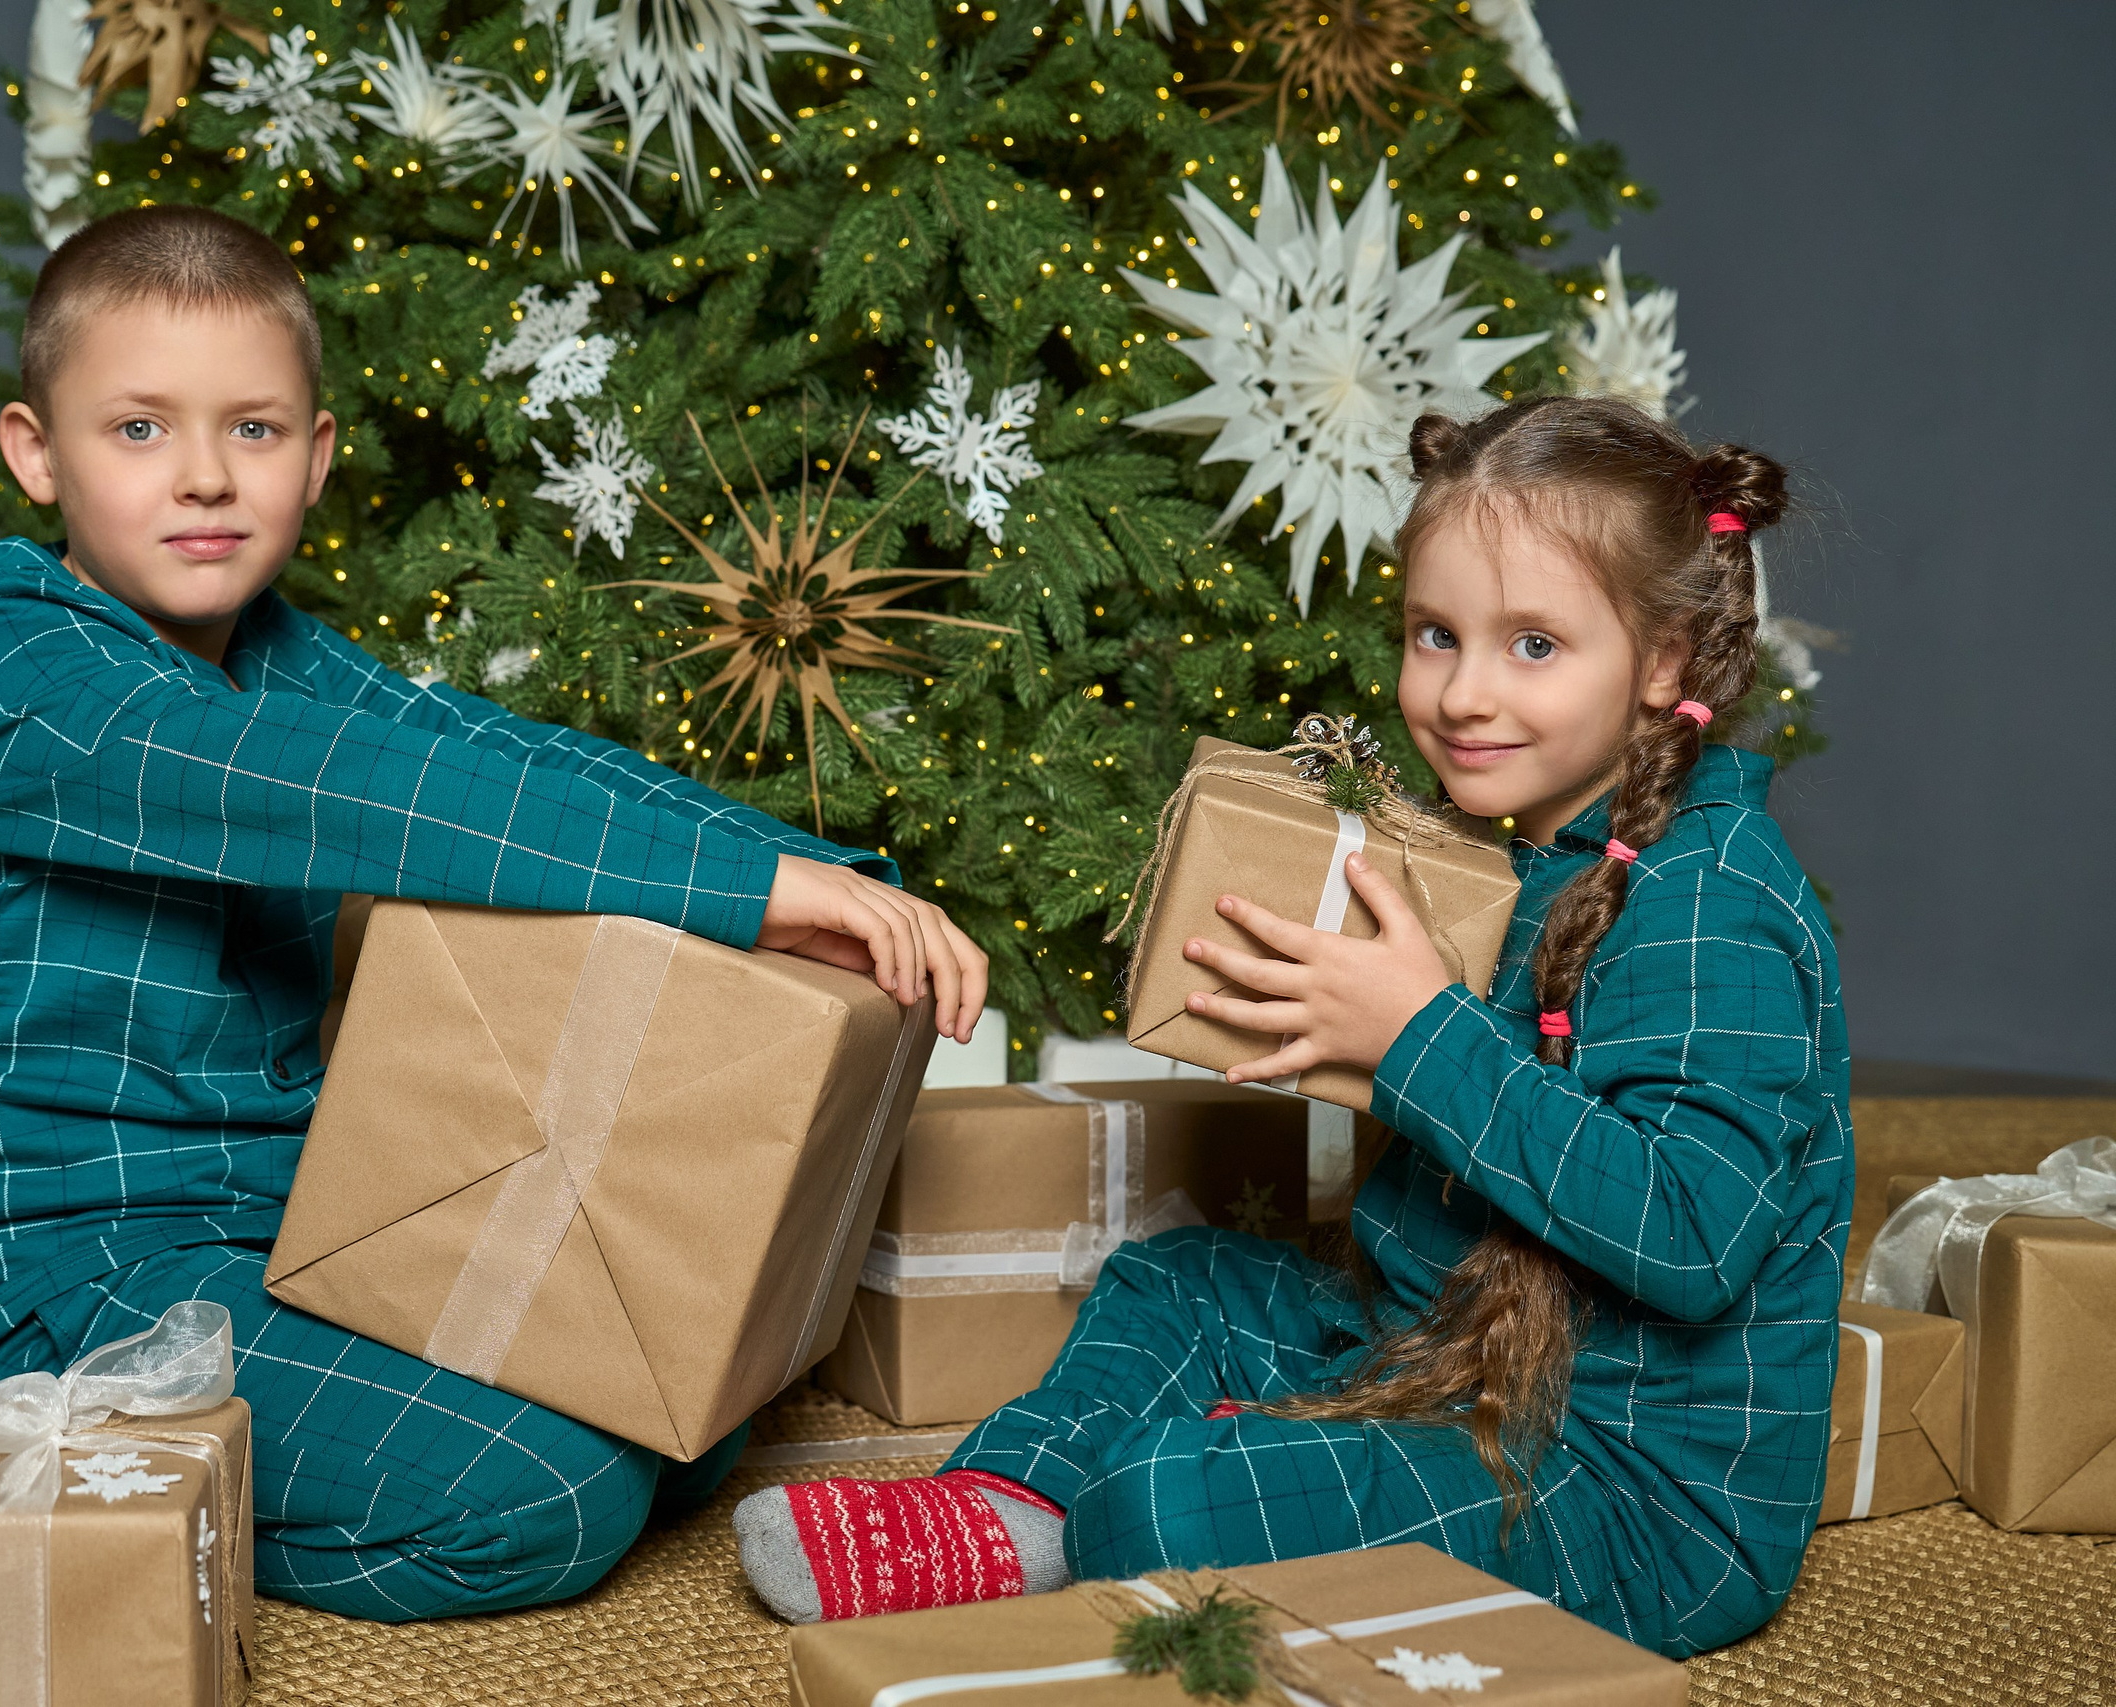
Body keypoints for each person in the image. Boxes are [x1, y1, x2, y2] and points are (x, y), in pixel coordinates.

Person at [0, 204, 988, 1621]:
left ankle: (329, 1454)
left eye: (254, 429)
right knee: (549, 1491)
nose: (204, 476)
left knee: (683, 1400)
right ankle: (135, 1542)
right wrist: (750, 893)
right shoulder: (13, 672)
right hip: (46, 1286)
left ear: (316, 458)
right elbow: (357, 794)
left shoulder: (273, 655)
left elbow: (496, 760)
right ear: (35, 451)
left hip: (266, 1224)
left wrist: (829, 877)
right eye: (139, 429)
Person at [734, 395, 1851, 1658]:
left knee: (1170, 1493)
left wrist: (1417, 1039)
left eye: (1533, 644)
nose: (1466, 693)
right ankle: (1005, 1512)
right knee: (1179, 1278)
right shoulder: (1510, 854)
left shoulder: (1709, 900)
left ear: (1661, 661)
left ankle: (1125, 1509)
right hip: (1443, 1357)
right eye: (1436, 635)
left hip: (1624, 1490)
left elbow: (1693, 1235)